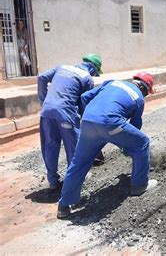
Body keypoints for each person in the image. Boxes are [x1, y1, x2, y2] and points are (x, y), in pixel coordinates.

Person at [57, 72, 157, 218]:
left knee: (79, 162)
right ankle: (140, 185)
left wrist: (93, 116)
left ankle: (64, 206)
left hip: (88, 122)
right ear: (144, 89)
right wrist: (127, 145)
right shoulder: (138, 98)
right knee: (142, 142)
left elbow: (85, 97)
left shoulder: (111, 82)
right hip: (111, 124)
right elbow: (135, 126)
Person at [38, 54, 103, 190]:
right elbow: (83, 103)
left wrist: (43, 101)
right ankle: (73, 182)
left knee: (50, 145)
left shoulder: (62, 67)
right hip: (65, 113)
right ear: (93, 69)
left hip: (47, 111)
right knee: (73, 146)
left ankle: (53, 182)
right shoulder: (87, 78)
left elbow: (42, 77)